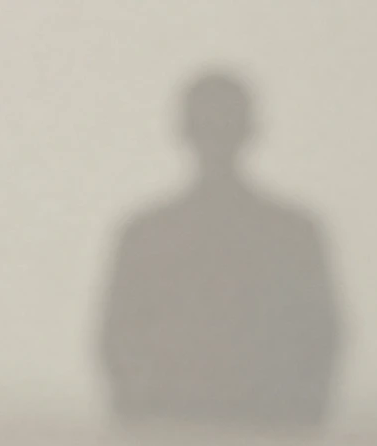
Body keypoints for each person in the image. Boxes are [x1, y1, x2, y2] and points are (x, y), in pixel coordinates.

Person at [99, 72, 341, 427]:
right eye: (208, 125)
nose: (216, 139)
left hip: (269, 441)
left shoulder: (293, 236)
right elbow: (117, 343)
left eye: (224, 125)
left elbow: (320, 341)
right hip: (170, 439)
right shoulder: (145, 237)